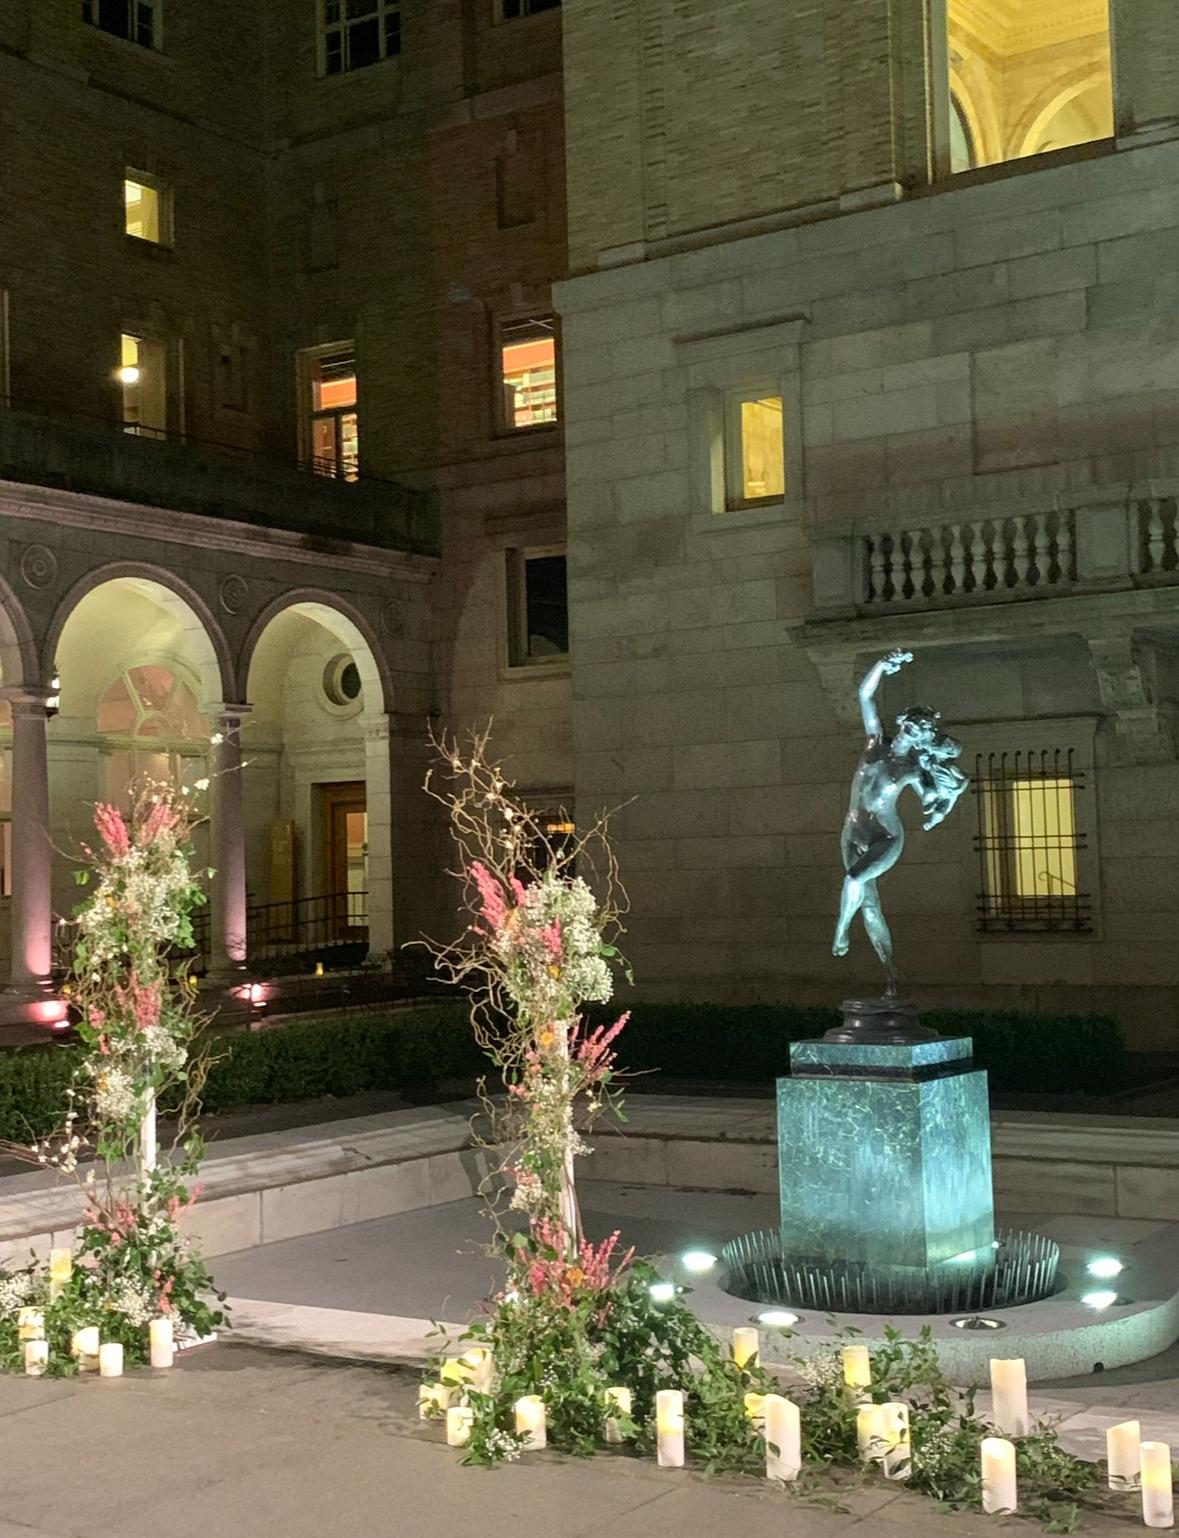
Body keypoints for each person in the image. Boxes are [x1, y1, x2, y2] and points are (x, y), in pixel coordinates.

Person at [832, 649, 968, 993]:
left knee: (854, 878)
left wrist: (945, 797)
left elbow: (931, 799)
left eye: (921, 728)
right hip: (853, 832)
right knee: (870, 904)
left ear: (923, 738)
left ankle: (841, 931)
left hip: (887, 837)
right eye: (912, 722)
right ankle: (891, 974)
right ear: (903, 721)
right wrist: (883, 665)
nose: (913, 729)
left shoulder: (912, 769)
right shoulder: (874, 742)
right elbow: (865, 695)